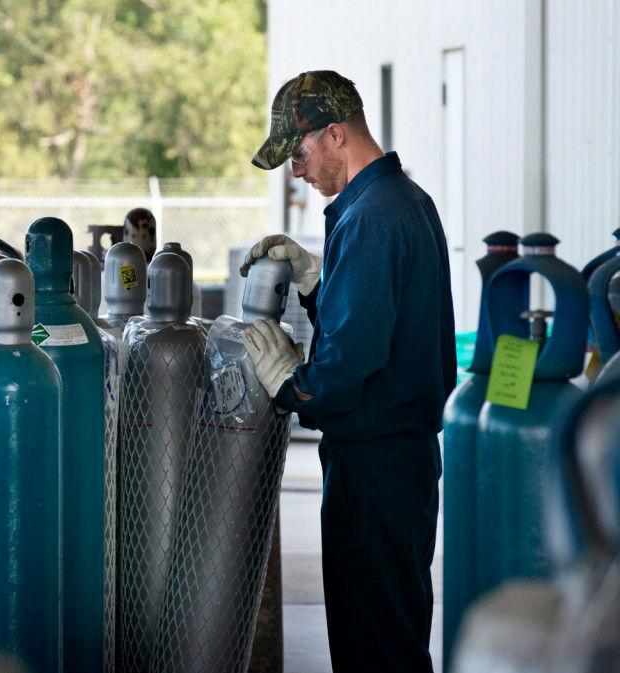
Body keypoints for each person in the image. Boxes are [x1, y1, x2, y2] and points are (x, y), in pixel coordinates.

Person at [241, 70, 456, 673]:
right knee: (394, 631)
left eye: (301, 153)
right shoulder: (399, 201)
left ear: (335, 134)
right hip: (400, 462)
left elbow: (346, 366)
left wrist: (289, 383)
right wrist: (317, 280)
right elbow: (372, 321)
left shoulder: (373, 218)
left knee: (374, 648)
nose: (298, 171)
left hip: (374, 468)